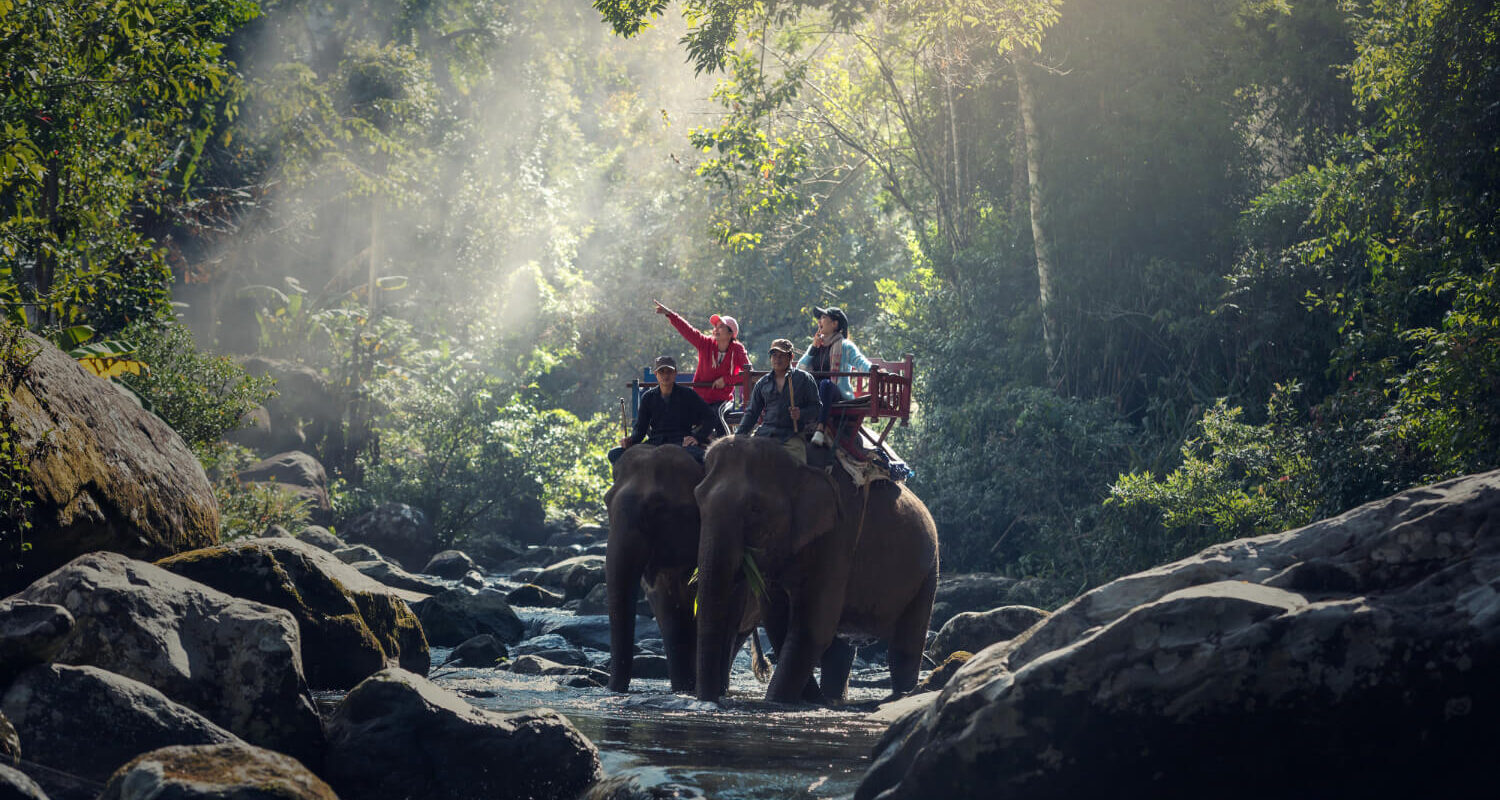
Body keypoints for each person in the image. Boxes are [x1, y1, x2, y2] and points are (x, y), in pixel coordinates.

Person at [655, 300, 751, 430]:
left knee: (716, 414)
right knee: (683, 416)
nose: (716, 329)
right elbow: (687, 330)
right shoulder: (705, 343)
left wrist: (727, 380)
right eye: (715, 326)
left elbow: (749, 373)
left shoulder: (737, 349)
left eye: (721, 326)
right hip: (701, 399)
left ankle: (726, 445)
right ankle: (690, 443)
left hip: (722, 400)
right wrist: (670, 314)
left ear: (730, 333)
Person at [609, 356, 717, 464]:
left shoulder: (688, 394)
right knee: (614, 454)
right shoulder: (648, 398)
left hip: (682, 443)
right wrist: (631, 440)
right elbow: (640, 430)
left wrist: (697, 438)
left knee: (705, 459)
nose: (665, 375)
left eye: (669, 371)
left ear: (675, 373)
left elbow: (711, 417)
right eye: (661, 372)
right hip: (655, 443)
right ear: (656, 374)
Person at [797, 306, 879, 447]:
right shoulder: (817, 345)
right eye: (819, 318)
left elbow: (860, 362)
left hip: (835, 393)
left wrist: (874, 370)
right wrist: (813, 348)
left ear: (835, 324)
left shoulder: (845, 346)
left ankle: (821, 428)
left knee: (825, 384)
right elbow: (800, 368)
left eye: (823, 318)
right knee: (803, 383)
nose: (819, 322)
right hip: (815, 392)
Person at [736, 338, 822, 465]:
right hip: (765, 434)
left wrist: (801, 414)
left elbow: (817, 408)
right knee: (747, 464)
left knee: (797, 468)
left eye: (782, 355)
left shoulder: (804, 379)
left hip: (791, 436)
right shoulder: (763, 383)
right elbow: (752, 413)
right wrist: (737, 437)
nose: (777, 359)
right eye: (774, 355)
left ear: (791, 357)